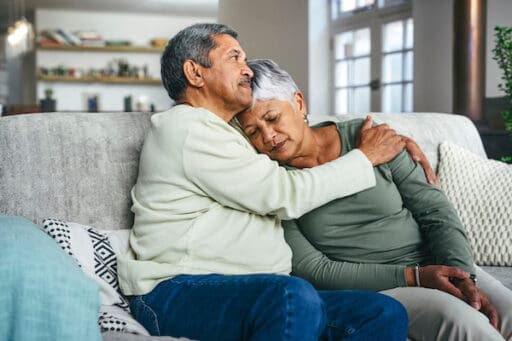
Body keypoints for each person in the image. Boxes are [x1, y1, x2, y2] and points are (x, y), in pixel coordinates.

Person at [117, 23, 410, 341]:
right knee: (290, 296)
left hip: (254, 294)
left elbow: (296, 132)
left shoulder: (230, 132)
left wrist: (393, 141)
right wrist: (367, 157)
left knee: (382, 313)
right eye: (234, 58)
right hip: (178, 293)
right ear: (195, 72)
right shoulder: (187, 129)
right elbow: (286, 193)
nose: (247, 70)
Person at [235, 58, 512, 341]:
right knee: (466, 326)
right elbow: (313, 269)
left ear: (299, 103)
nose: (268, 136)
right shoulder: (273, 183)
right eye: (253, 132)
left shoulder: (369, 137)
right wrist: (417, 276)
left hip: (440, 262)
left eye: (272, 118)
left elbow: (435, 211)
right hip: (383, 287)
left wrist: (464, 277)